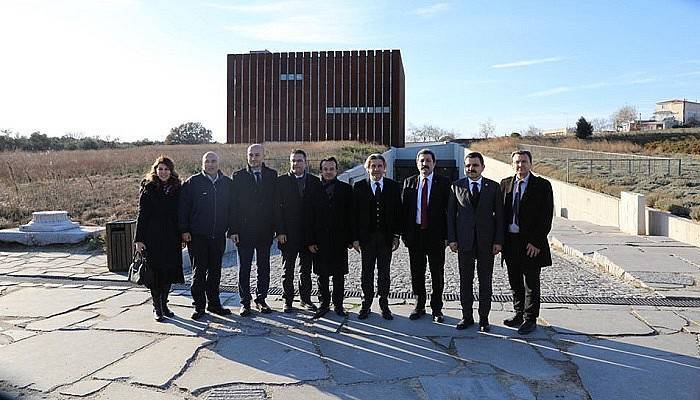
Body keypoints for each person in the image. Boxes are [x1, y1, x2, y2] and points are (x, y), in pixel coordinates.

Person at [447, 152, 504, 332]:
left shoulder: (494, 188)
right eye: (468, 166)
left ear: (482, 167)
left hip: (487, 243)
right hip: (464, 242)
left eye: (475, 165)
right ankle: (467, 317)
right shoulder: (456, 187)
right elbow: (450, 215)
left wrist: (498, 241)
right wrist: (452, 239)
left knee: (485, 281)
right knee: (465, 281)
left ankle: (484, 318)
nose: (471, 169)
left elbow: (500, 217)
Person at [500, 150, 554, 335]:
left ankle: (530, 319)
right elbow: (500, 215)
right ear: (512, 164)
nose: (520, 165)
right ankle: (518, 313)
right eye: (517, 162)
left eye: (524, 162)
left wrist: (536, 242)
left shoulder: (542, 185)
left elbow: (546, 217)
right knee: (514, 281)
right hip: (510, 242)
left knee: (530, 282)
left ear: (531, 164)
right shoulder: (505, 184)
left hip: (530, 243)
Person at [178, 152, 235, 320]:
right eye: (207, 161)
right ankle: (199, 306)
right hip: (197, 236)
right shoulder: (192, 182)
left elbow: (232, 209)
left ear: (218, 163)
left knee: (216, 271)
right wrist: (184, 230)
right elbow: (183, 209)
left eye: (213, 161)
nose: (210, 164)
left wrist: (231, 229)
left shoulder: (227, 183)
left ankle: (214, 304)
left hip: (218, 235)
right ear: (202, 163)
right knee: (199, 272)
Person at [401, 149, 451, 323]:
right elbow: (404, 211)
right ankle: (419, 305)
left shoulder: (444, 183)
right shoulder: (409, 183)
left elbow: (449, 212)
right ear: (417, 163)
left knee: (437, 273)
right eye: (422, 161)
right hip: (415, 235)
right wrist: (404, 235)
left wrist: (447, 236)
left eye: (428, 161)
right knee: (417, 272)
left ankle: (437, 308)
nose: (425, 164)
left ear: (434, 163)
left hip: (436, 236)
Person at [134, 156, 185, 322]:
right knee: (155, 273)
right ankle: (157, 307)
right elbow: (142, 214)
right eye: (160, 169)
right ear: (155, 170)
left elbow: (181, 213)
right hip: (153, 237)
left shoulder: (177, 188)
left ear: (171, 171)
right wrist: (139, 239)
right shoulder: (148, 188)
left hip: (171, 236)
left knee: (169, 272)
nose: (163, 172)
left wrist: (183, 232)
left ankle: (164, 304)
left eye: (166, 169)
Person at [353, 153, 402, 320]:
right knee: (366, 272)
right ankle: (366, 303)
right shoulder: (359, 187)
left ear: (384, 168)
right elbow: (353, 215)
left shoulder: (394, 186)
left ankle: (384, 303)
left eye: (379, 166)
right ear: (367, 168)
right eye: (373, 166)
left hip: (386, 238)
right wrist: (355, 238)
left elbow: (397, 213)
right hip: (366, 238)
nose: (376, 169)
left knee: (384, 272)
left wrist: (396, 235)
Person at [231, 143, 278, 316]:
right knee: (244, 268)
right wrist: (233, 230)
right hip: (244, 231)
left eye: (257, 155)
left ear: (264, 156)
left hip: (265, 230)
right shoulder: (238, 176)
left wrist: (276, 228)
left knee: (263, 267)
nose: (254, 158)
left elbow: (275, 204)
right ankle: (245, 302)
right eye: (251, 155)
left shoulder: (272, 176)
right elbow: (233, 206)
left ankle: (261, 299)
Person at [306, 157, 353, 319]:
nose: (328, 172)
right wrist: (310, 241)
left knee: (339, 275)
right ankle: (324, 304)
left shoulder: (346, 189)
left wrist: (350, 239)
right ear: (321, 171)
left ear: (336, 170)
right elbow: (308, 217)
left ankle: (339, 305)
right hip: (319, 240)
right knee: (322, 275)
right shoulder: (312, 189)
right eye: (325, 169)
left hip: (340, 240)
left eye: (331, 168)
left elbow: (351, 216)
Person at [275, 149, 321, 313]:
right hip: (287, 234)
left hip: (307, 236)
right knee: (287, 270)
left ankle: (305, 299)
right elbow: (277, 209)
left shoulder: (315, 182)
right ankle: (287, 300)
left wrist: (314, 237)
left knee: (306, 270)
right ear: (290, 162)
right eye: (293, 161)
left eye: (299, 160)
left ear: (305, 162)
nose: (296, 164)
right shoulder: (281, 182)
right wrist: (279, 231)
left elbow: (317, 211)